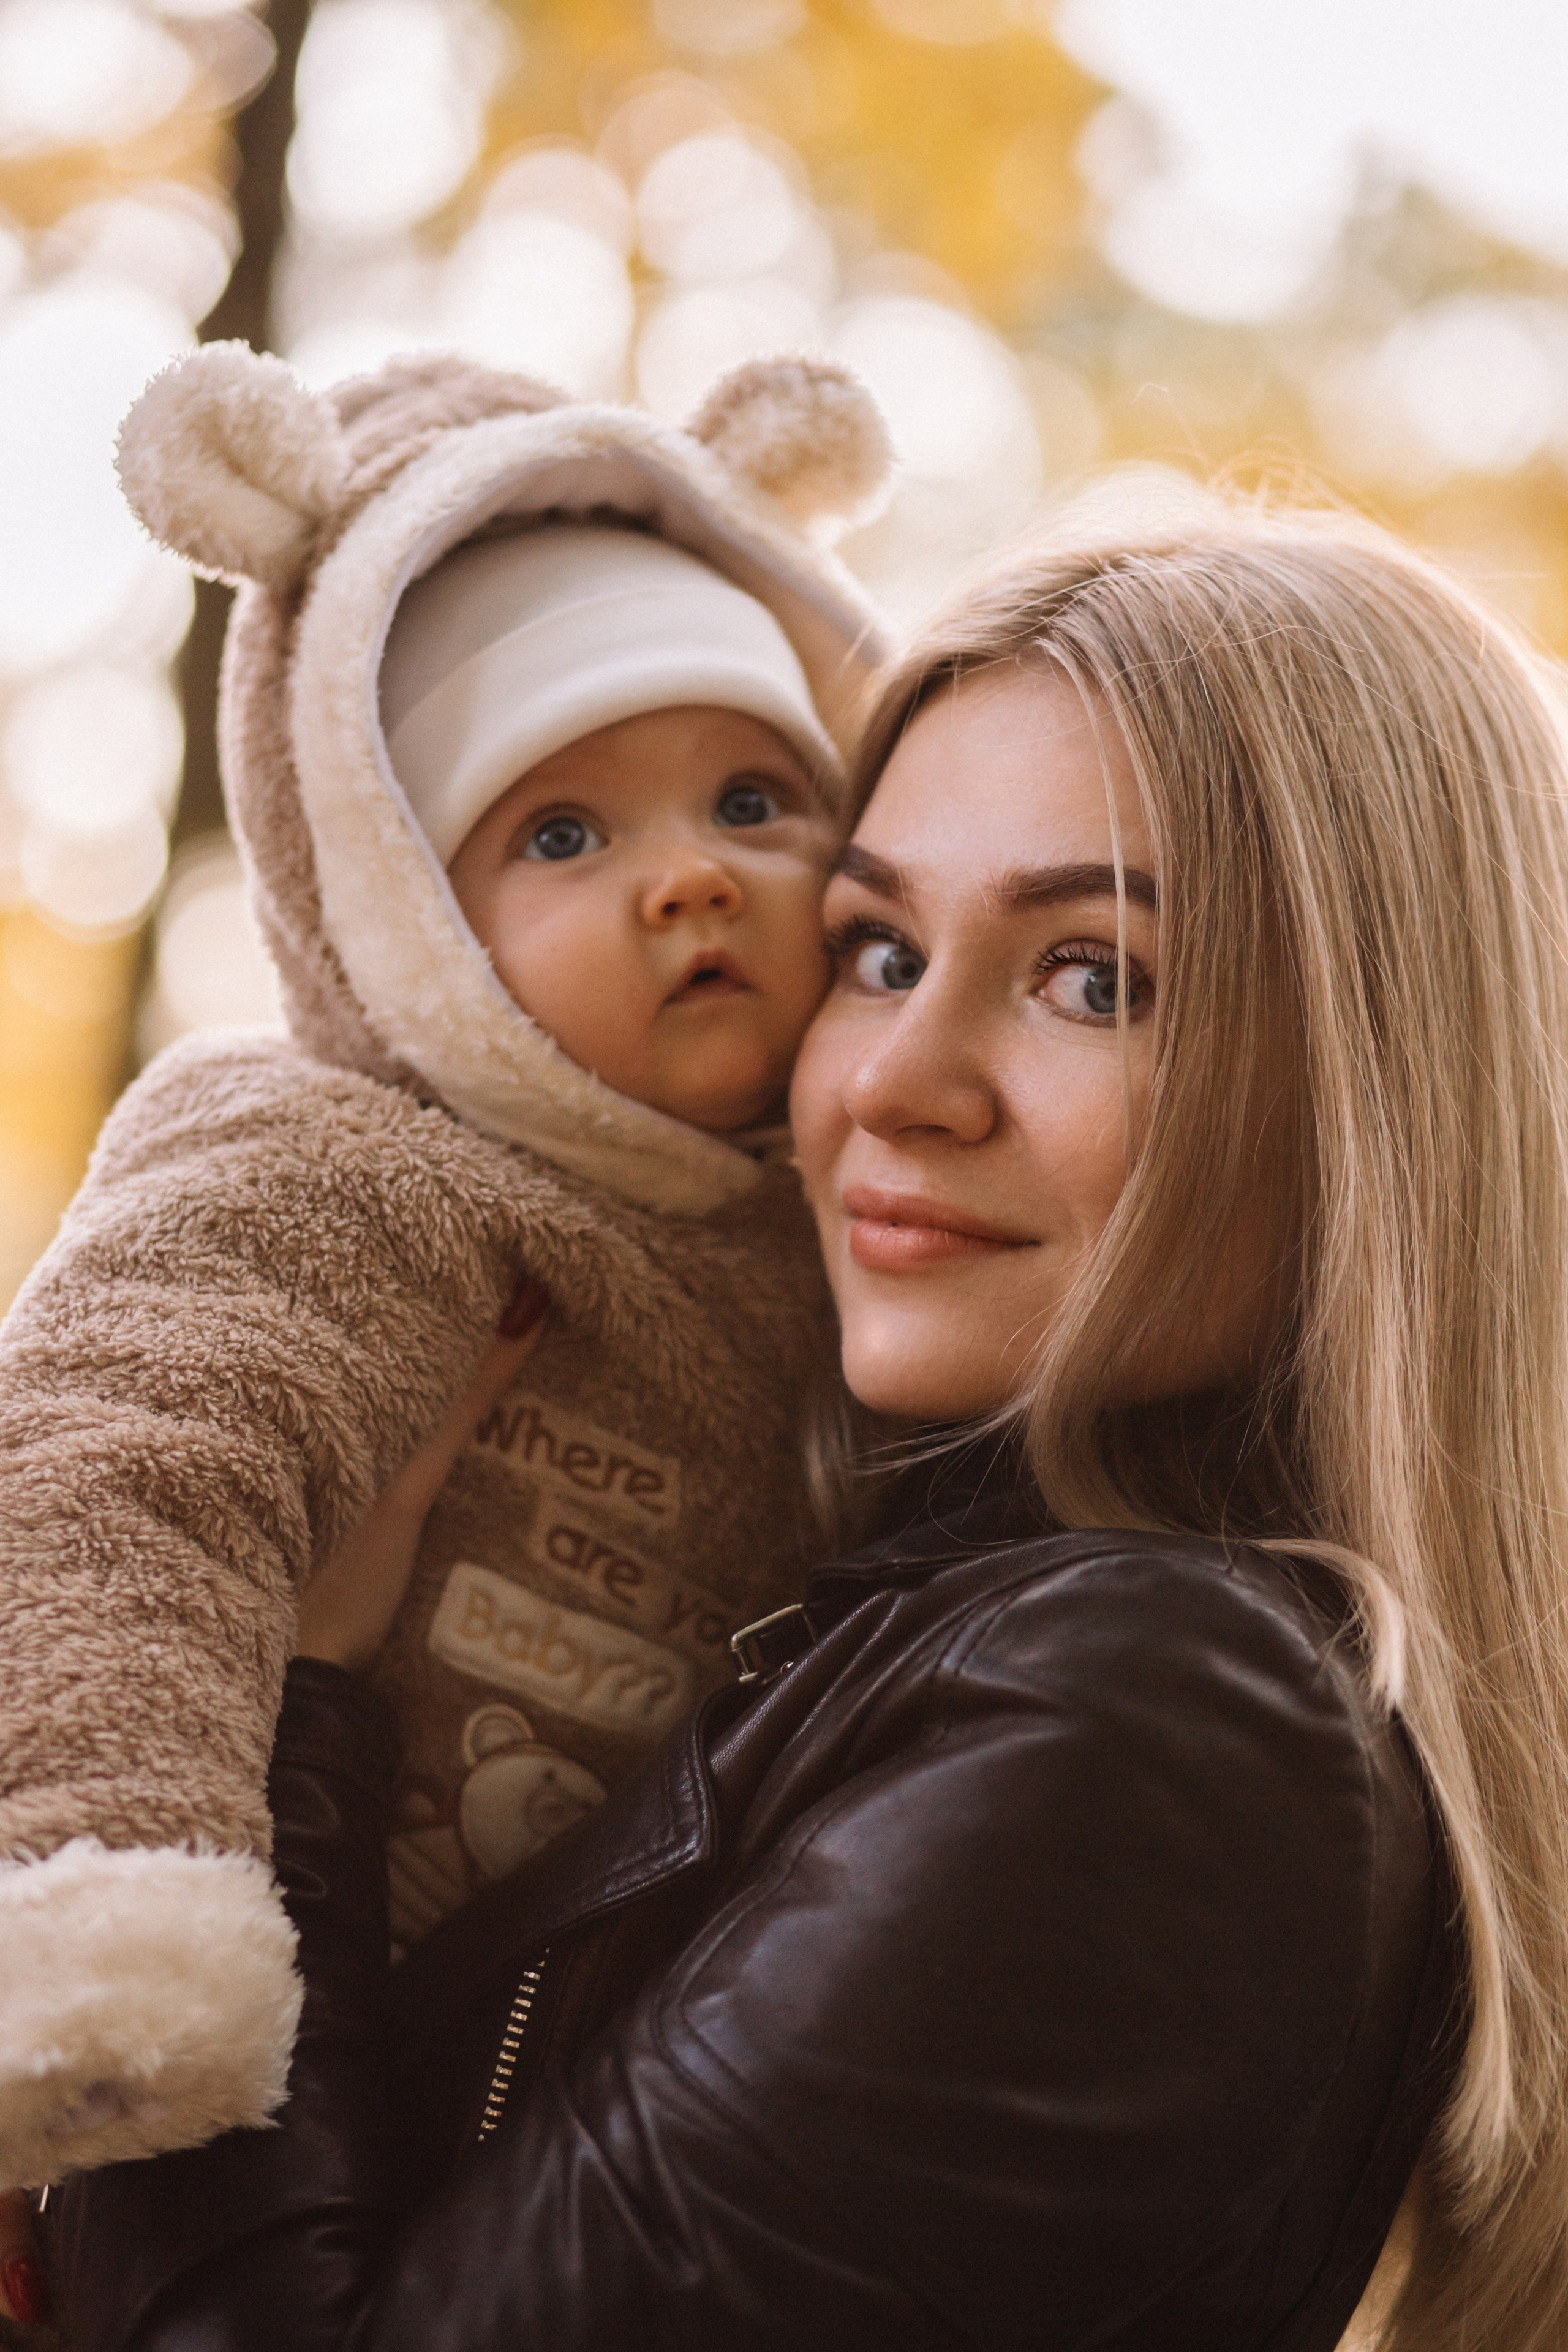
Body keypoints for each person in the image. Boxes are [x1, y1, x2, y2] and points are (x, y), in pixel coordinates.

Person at [33, 509, 1568, 2351]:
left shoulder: (1155, 1725)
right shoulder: (856, 1592)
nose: (892, 1086)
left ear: (1384, 1086)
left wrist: (283, 1705)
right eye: (876, 947)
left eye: (1095, 976)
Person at [0, 342, 895, 2193]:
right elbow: (113, 1482)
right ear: (412, 908)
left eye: (753, 801)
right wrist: (104, 1896)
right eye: (563, 833)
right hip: (179, 2095)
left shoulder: (863, 1245)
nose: (690, 880)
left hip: (509, 2126)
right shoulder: (335, 1163)